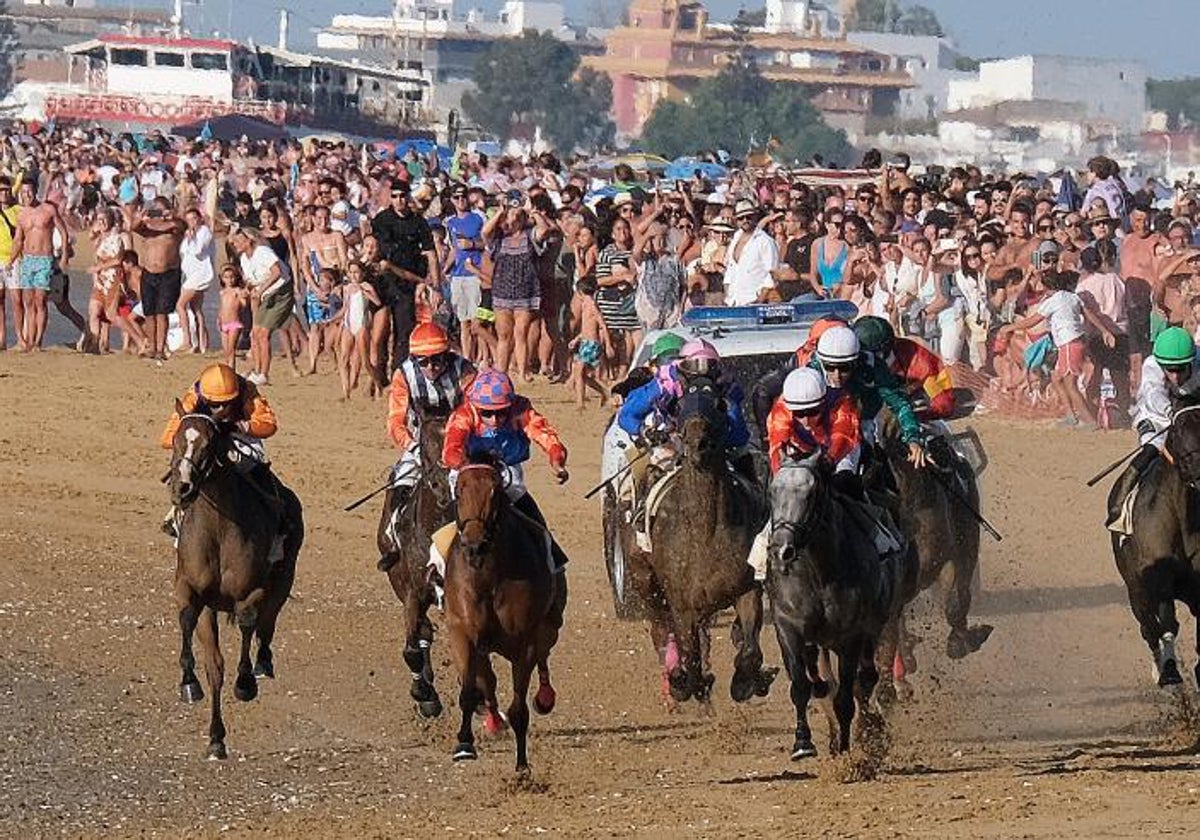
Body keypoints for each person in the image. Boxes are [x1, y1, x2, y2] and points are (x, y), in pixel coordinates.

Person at [431, 369, 570, 576]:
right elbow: (452, 447)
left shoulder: (521, 410)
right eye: (486, 413)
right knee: (447, 523)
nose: (495, 419)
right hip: (470, 472)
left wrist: (557, 459)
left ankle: (552, 569)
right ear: (476, 407)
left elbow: (544, 434)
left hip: (507, 472)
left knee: (539, 527)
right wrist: (462, 464)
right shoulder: (463, 414)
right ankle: (435, 571)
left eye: (501, 412)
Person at [159, 363, 289, 562]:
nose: (220, 409)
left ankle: (278, 523)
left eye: (227, 403)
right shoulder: (194, 394)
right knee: (188, 469)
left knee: (257, 468)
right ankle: (177, 516)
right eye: (214, 404)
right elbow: (167, 438)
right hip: (206, 439)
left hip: (239, 436)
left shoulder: (247, 390)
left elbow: (269, 424)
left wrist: (242, 425)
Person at [379, 322, 475, 572]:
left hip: (463, 442)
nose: (431, 367)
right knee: (401, 480)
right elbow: (395, 421)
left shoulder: (464, 371)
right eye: (423, 362)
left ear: (447, 355)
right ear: (414, 359)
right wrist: (413, 448)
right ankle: (392, 538)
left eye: (437, 360)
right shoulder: (403, 375)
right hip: (421, 443)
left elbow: (476, 409)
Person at [1108, 327, 1200, 529]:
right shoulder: (1151, 364)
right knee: (1152, 450)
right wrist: (1171, 412)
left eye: (1181, 368)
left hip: (1190, 415)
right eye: (1169, 369)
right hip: (1157, 417)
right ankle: (1120, 505)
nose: (1175, 376)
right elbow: (1153, 395)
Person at [6, 180, 70, 351]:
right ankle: (29, 339)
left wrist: (64, 256)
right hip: (27, 260)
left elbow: (63, 232)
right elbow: (18, 240)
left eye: (29, 191)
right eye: (23, 192)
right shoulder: (22, 215)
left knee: (40, 299)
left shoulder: (48, 209)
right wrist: (11, 261)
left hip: (44, 259)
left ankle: (38, 341)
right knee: (28, 301)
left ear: (35, 191)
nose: (26, 195)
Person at [131, 197, 185, 360]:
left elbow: (182, 225)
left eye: (161, 210)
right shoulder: (147, 227)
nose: (159, 214)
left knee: (162, 312)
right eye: (156, 210)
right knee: (149, 312)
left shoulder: (174, 228)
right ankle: (152, 347)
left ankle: (161, 348)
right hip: (148, 272)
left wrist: (172, 216)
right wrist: (142, 216)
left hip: (168, 273)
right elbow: (133, 227)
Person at [567, 274, 612, 409]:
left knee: (579, 370)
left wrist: (608, 345)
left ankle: (581, 403)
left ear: (580, 292)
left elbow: (602, 325)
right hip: (584, 343)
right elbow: (587, 327)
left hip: (592, 344)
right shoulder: (585, 305)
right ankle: (603, 392)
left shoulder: (592, 305)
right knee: (581, 375)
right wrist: (577, 339)